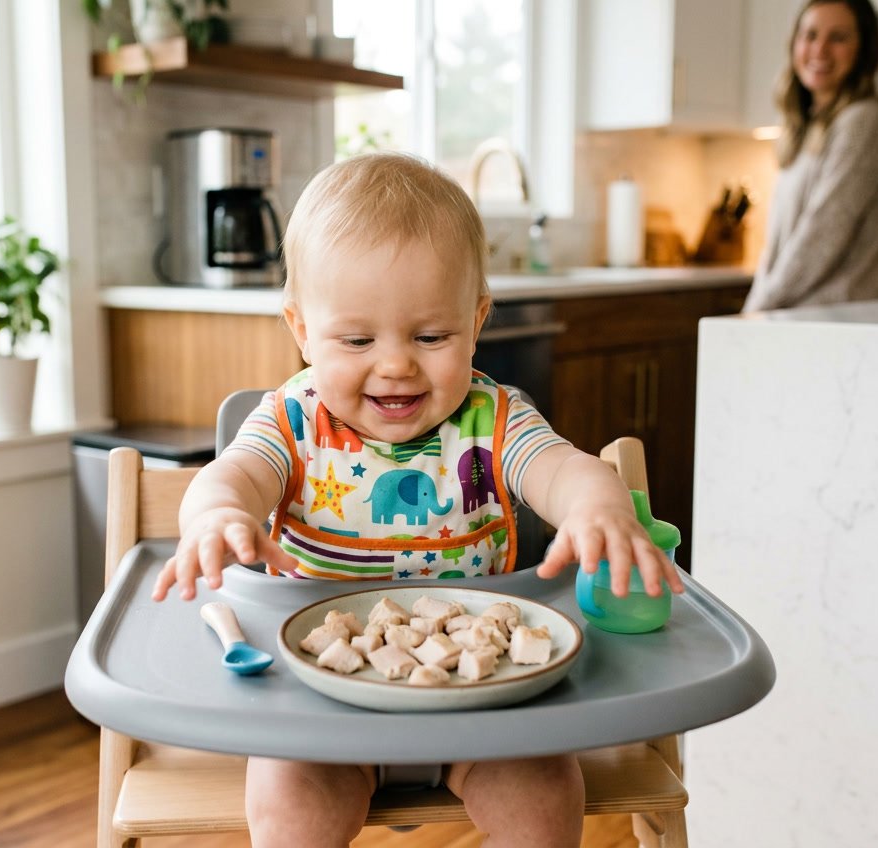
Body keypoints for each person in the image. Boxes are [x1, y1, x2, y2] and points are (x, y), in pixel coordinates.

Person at [151, 152, 684, 847]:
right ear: (302, 329)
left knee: (546, 796)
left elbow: (563, 470)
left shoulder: (493, 420)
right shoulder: (291, 421)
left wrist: (598, 508)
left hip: (484, 701)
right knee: (290, 809)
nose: (397, 363)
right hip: (322, 707)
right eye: (356, 338)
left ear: (477, 318)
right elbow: (232, 478)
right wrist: (216, 516)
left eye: (432, 337)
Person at [744, 0, 878, 312]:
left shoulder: (864, 119)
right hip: (798, 317)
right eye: (810, 35)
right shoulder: (807, 125)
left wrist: (756, 308)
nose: (820, 50)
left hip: (836, 322)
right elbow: (780, 246)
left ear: (864, 49)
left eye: (838, 38)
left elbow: (822, 235)